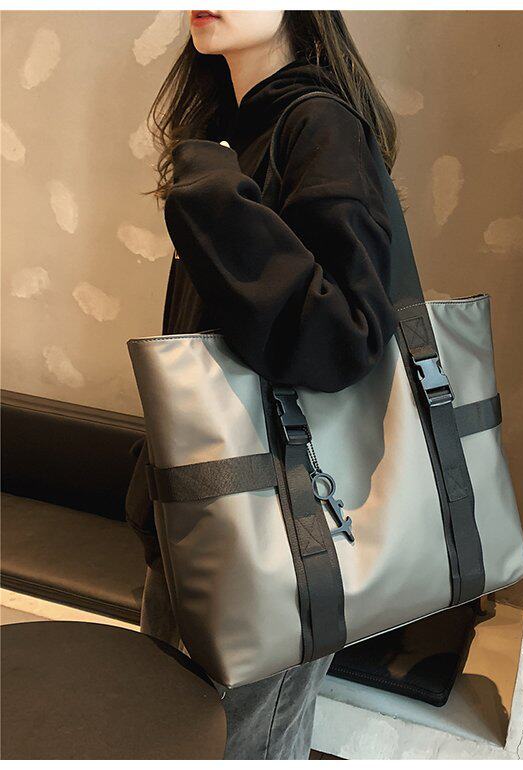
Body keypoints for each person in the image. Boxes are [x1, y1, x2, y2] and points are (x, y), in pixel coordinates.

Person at [125, 9, 400, 760]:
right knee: (170, 743)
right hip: (201, 513)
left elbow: (346, 336)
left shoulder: (318, 126)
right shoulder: (234, 131)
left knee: (237, 751)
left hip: (274, 537)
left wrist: (216, 194)